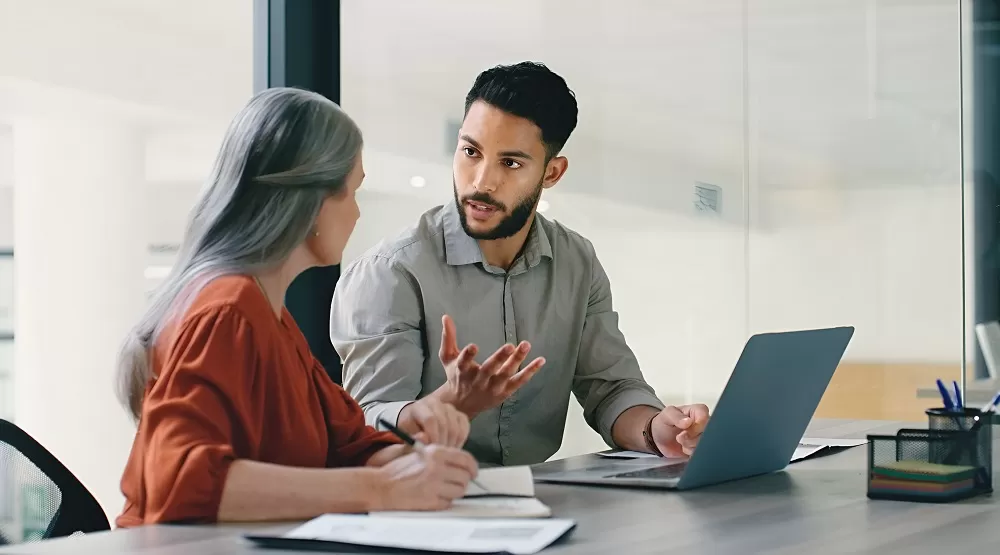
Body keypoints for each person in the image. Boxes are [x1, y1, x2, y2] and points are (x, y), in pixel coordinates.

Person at [114, 87, 478, 527]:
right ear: (310, 202)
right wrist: (383, 489)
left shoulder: (272, 318)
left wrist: (421, 450)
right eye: (352, 193)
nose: (357, 214)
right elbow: (180, 483)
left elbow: (349, 448)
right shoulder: (228, 311)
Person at [330, 62, 711, 467]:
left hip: (538, 497)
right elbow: (367, 426)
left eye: (510, 163)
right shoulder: (391, 271)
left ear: (552, 172)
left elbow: (611, 390)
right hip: (423, 504)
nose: (481, 181)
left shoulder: (576, 263)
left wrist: (656, 430)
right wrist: (447, 405)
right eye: (470, 152)